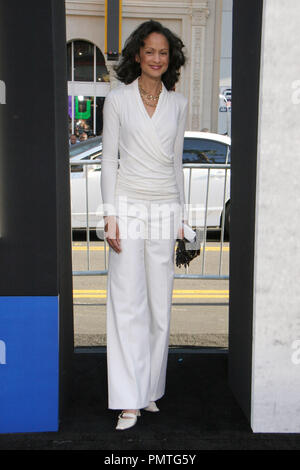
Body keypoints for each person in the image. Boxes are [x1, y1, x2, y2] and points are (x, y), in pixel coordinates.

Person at [101, 19, 189, 431]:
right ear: (138, 54)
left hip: (165, 209)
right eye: (150, 51)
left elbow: (176, 162)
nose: (156, 58)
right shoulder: (117, 100)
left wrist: (183, 219)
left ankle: (150, 389)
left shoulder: (179, 103)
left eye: (163, 53)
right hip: (128, 207)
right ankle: (128, 399)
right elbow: (108, 161)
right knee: (127, 304)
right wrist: (108, 215)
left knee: (159, 306)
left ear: (169, 60)